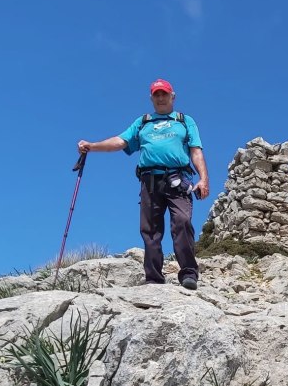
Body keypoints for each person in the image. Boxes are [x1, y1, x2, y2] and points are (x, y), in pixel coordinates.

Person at [77, 79, 209, 290]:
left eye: (164, 94)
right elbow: (120, 142)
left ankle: (188, 274)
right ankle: (154, 278)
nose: (160, 98)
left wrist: (203, 179)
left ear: (172, 96)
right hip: (150, 182)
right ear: (151, 98)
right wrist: (92, 146)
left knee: (182, 221)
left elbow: (196, 151)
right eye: (156, 95)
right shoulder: (143, 122)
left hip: (178, 179)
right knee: (150, 230)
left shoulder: (184, 121)